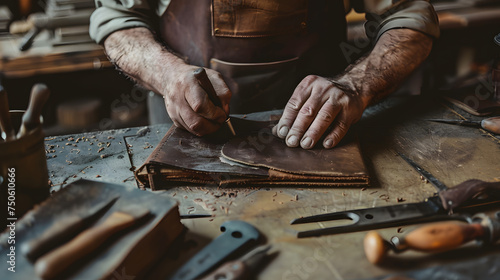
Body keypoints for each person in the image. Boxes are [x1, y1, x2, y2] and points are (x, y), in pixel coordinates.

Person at [90, 0, 439, 149]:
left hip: (321, 131)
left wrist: (356, 85)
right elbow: (118, 20)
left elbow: (409, 17)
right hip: (183, 129)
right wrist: (167, 74)